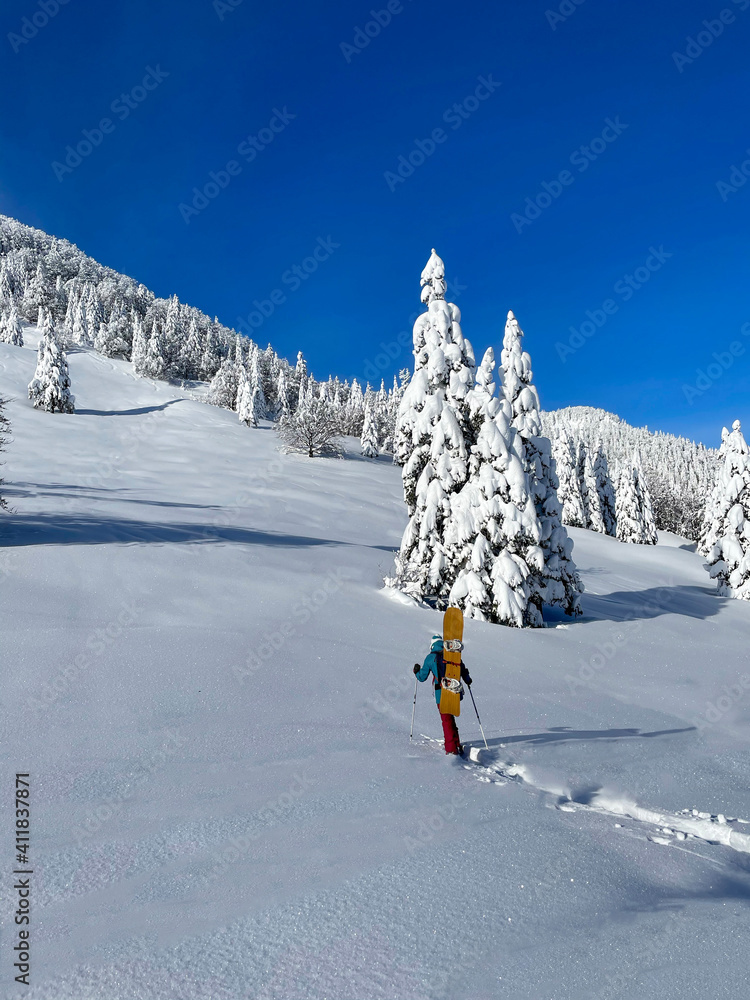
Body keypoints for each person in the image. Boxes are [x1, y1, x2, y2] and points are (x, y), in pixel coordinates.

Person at [414, 634, 472, 755]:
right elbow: (462, 668)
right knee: (450, 718)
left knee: (446, 720)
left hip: (441, 693)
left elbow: (422, 677)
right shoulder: (452, 655)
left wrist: (416, 671)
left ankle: (451, 750)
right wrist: (467, 680)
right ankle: (456, 744)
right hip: (455, 692)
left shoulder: (430, 658)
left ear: (432, 645)